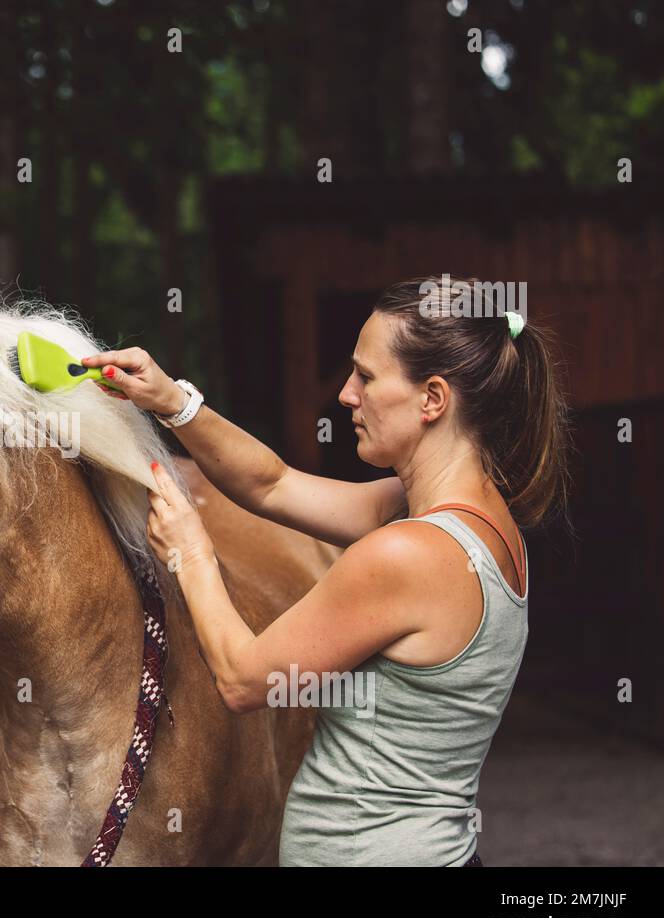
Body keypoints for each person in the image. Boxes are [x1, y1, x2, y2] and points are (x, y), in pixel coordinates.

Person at [81, 277, 571, 866]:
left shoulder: (408, 554)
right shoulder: (482, 523)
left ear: (432, 399)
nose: (345, 394)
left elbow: (242, 680)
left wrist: (190, 550)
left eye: (366, 376)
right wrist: (173, 402)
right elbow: (273, 484)